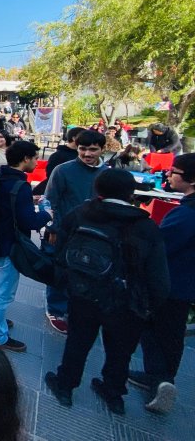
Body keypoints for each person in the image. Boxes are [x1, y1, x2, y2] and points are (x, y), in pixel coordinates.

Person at [45, 169, 170, 415]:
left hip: (84, 293)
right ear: (131, 193)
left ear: (97, 189)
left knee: (77, 341)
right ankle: (113, 394)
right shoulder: (145, 226)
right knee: (120, 351)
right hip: (126, 300)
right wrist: (150, 307)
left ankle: (65, 385)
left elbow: (60, 249)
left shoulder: (81, 214)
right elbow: (158, 277)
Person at [128, 153, 195, 414]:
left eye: (174, 171)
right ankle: (161, 378)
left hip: (168, 283)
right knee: (172, 334)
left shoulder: (186, 215)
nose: (168, 174)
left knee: (156, 333)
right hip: (184, 286)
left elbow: (159, 246)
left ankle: (160, 380)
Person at [0, 141, 52, 352]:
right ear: (25, 159)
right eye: (35, 157)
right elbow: (28, 221)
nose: (37, 162)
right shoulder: (20, 186)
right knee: (2, 293)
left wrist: (28, 200)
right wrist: (47, 214)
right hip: (9, 245)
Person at [43, 129, 108, 334]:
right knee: (60, 270)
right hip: (64, 230)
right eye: (83, 149)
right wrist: (52, 228)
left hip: (94, 232)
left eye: (93, 149)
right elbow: (50, 200)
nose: (87, 154)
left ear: (102, 149)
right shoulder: (62, 170)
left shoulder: (107, 173)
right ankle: (55, 310)